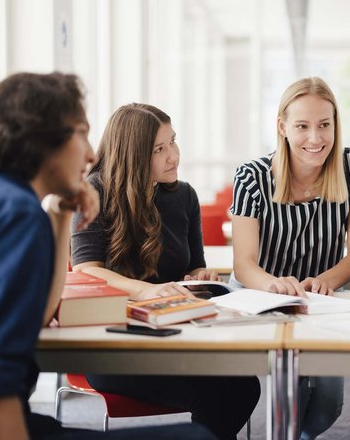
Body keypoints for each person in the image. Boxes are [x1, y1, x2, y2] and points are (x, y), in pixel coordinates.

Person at [0, 73, 212, 439]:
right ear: (40, 142)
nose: (92, 154)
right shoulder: (14, 216)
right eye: (81, 133)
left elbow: (44, 313)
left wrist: (63, 214)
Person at [71, 103, 259, 440]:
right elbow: (87, 270)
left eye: (173, 141)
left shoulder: (183, 194)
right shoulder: (95, 191)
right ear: (132, 154)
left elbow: (194, 266)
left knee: (246, 386)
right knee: (213, 397)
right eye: (159, 149)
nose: (173, 156)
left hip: (176, 337)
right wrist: (144, 290)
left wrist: (200, 277)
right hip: (116, 345)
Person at [231, 76, 350, 439]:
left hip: (324, 298)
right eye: (303, 126)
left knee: (327, 404)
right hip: (263, 295)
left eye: (325, 125)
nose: (316, 138)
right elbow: (244, 265)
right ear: (282, 127)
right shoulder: (252, 177)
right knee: (280, 391)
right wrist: (274, 285)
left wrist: (328, 279)